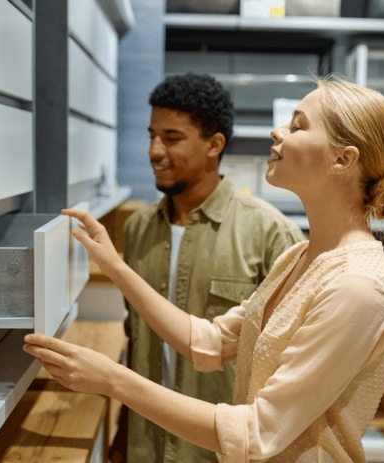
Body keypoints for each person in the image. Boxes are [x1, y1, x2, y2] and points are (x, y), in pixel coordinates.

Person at [24, 76, 384, 462]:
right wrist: (113, 264)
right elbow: (207, 343)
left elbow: (257, 434)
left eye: (296, 126)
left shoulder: (358, 287)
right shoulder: (299, 260)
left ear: (343, 159)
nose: (277, 132)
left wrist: (112, 379)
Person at [117, 72, 304, 463]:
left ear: (214, 144)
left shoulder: (272, 234)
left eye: (171, 138)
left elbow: (286, 372)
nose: (154, 150)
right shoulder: (137, 229)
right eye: (151, 135)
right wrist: (122, 433)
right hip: (143, 446)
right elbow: (135, 337)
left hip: (218, 453)